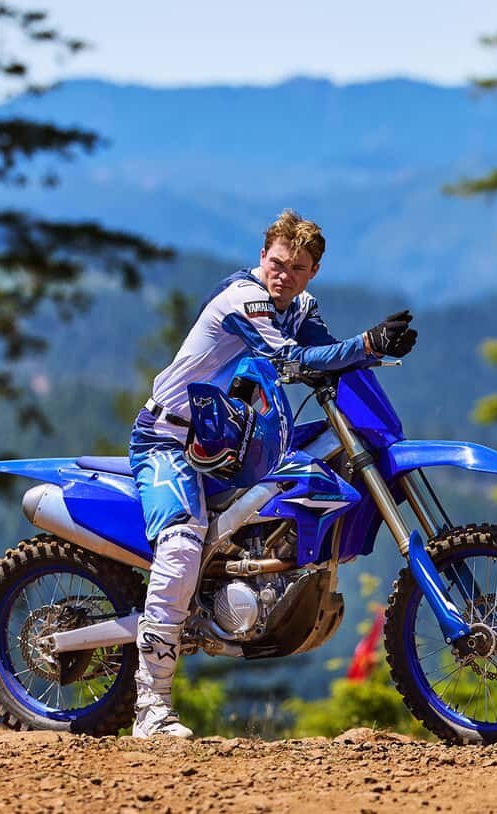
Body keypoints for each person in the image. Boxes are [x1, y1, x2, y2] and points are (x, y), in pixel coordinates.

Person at [127, 210, 416, 738]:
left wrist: (372, 352)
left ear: (313, 272)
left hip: (231, 440)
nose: (284, 275)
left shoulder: (300, 305)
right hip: (170, 439)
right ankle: (151, 707)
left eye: (297, 268)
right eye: (277, 263)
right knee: (182, 546)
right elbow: (286, 357)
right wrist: (367, 343)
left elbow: (323, 353)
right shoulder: (244, 299)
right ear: (263, 256)